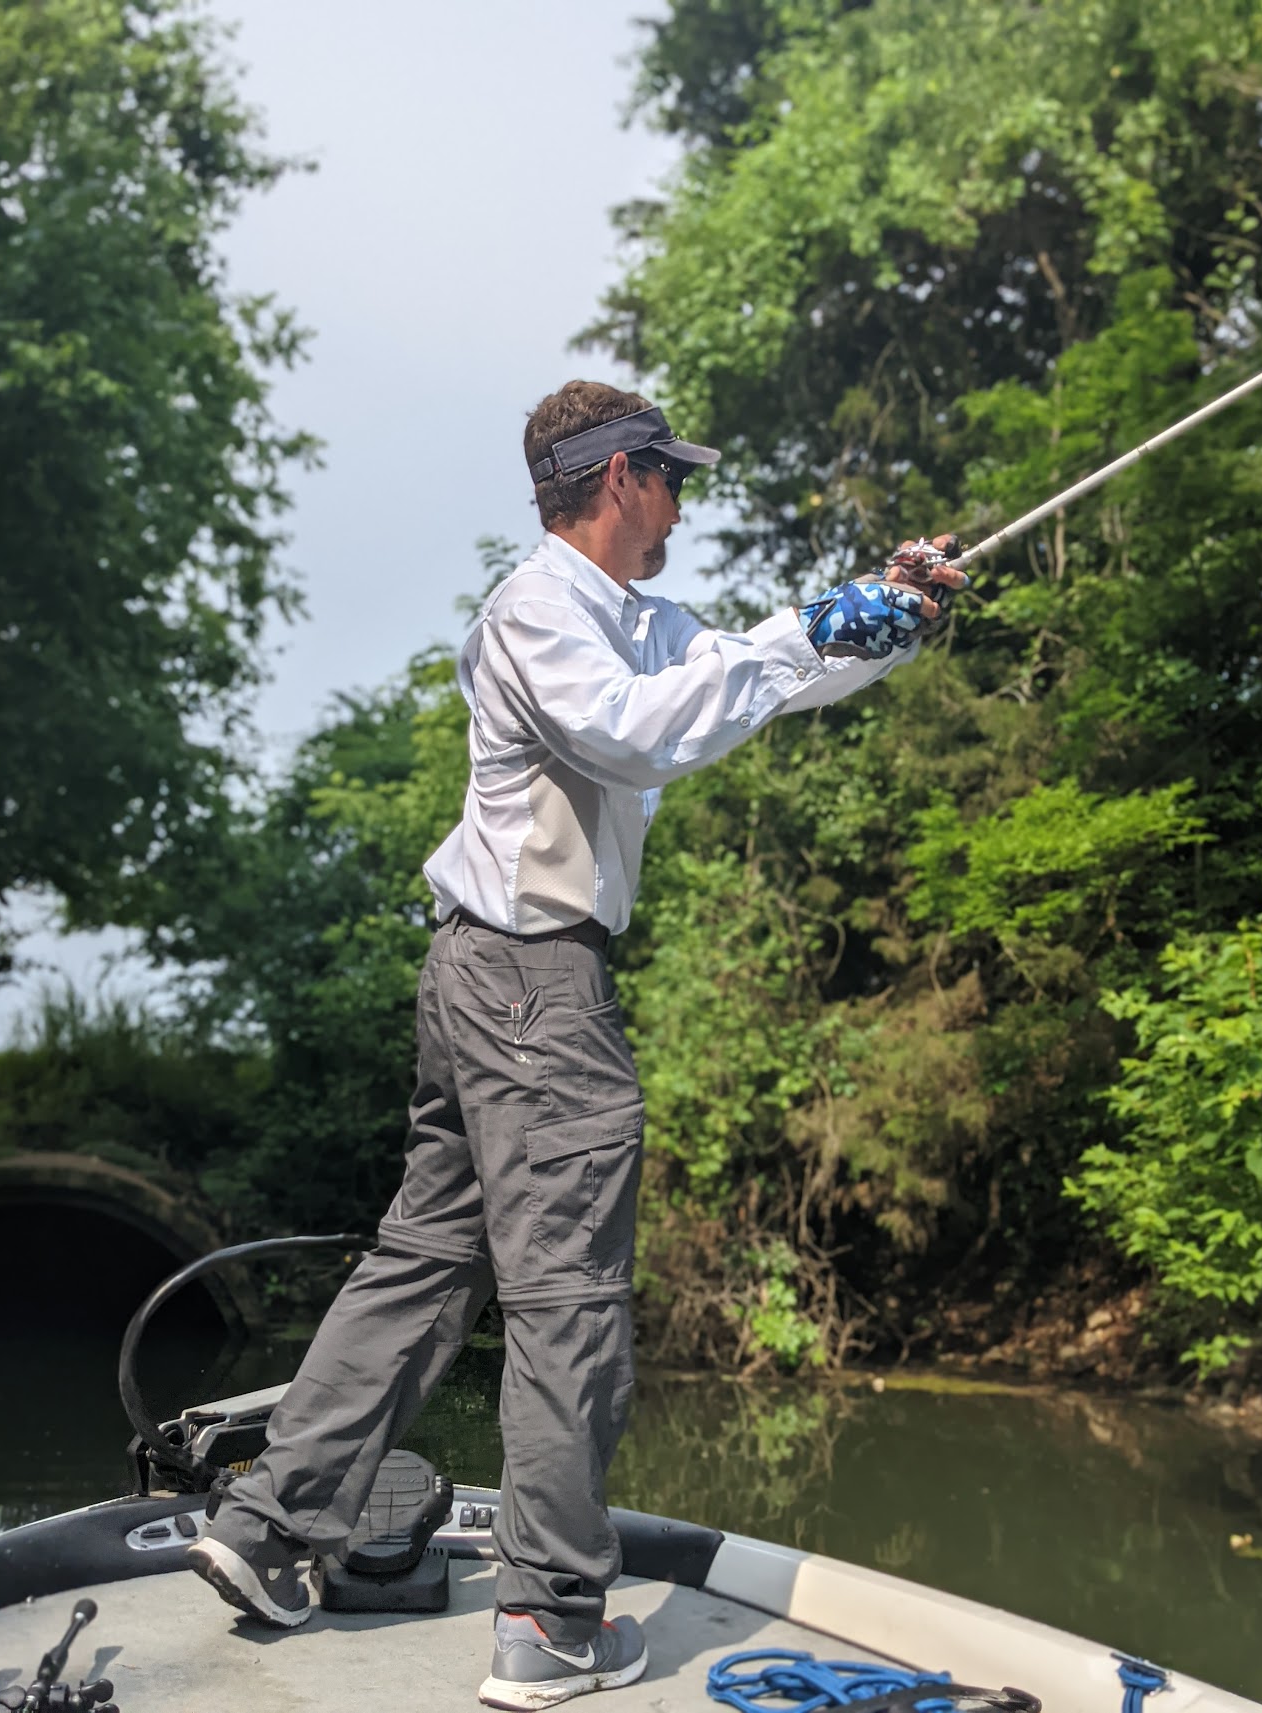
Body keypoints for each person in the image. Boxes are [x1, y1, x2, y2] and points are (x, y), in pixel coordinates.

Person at [187, 380, 967, 1708]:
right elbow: (637, 730)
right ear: (623, 479)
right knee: (569, 1292)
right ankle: (549, 1620)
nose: (684, 505)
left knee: (430, 1260)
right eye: (678, 480)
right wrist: (799, 628)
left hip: (483, 980)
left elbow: (761, 681)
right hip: (534, 984)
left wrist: (890, 616)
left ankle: (267, 1533)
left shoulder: (633, 619)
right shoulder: (541, 610)